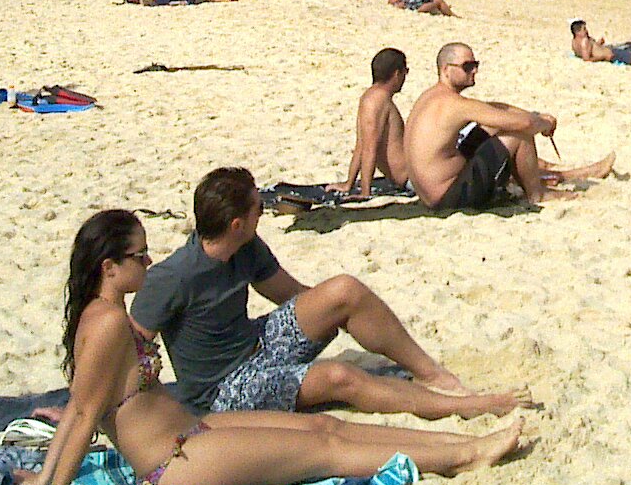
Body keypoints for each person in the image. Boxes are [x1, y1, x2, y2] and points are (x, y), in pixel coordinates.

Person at [1, 210, 522, 485]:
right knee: (323, 452)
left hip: (195, 430)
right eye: (139, 256)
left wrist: (42, 475)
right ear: (109, 267)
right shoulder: (109, 324)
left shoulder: (107, 315)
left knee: (326, 426)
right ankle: (465, 455)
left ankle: (460, 443)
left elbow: (79, 406)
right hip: (171, 462)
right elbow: (84, 412)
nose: (149, 262)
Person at [134, 166, 519, 423]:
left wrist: (342, 315)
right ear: (236, 224)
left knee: (344, 290)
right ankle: (462, 406)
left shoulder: (245, 246)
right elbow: (132, 347)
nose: (263, 213)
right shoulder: (172, 277)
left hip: (256, 345)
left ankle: (432, 374)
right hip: (223, 391)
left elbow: (293, 295)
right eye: (257, 209)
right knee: (339, 376)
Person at [405, 42, 612, 210]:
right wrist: (543, 123)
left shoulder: (432, 96)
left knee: (493, 127)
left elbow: (494, 108)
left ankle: (557, 175)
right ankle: (537, 194)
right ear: (446, 70)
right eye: (467, 67)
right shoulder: (455, 104)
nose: (474, 71)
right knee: (519, 132)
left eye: (476, 65)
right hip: (449, 197)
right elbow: (525, 124)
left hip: (431, 193)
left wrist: (534, 115)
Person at [347, 48, 412, 193]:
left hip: (412, 177)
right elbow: (370, 148)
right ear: (397, 74)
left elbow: (361, 145)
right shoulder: (377, 100)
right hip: (413, 180)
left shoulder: (370, 97)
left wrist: (349, 183)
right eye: (405, 72)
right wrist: (365, 191)